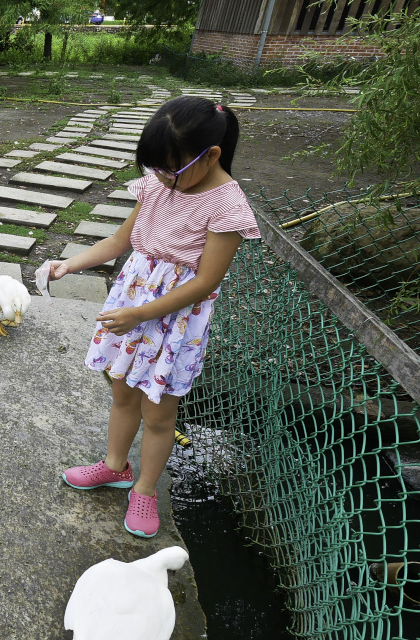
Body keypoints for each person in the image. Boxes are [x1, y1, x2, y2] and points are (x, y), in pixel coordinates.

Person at [46, 97, 260, 537]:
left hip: (173, 324)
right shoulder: (158, 187)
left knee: (159, 414)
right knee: (122, 394)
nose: (162, 177)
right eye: (157, 168)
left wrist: (139, 314)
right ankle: (114, 466)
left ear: (212, 156)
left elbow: (203, 283)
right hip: (132, 312)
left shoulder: (227, 207)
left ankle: (144, 488)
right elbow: (120, 240)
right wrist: (72, 263)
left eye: (170, 168)